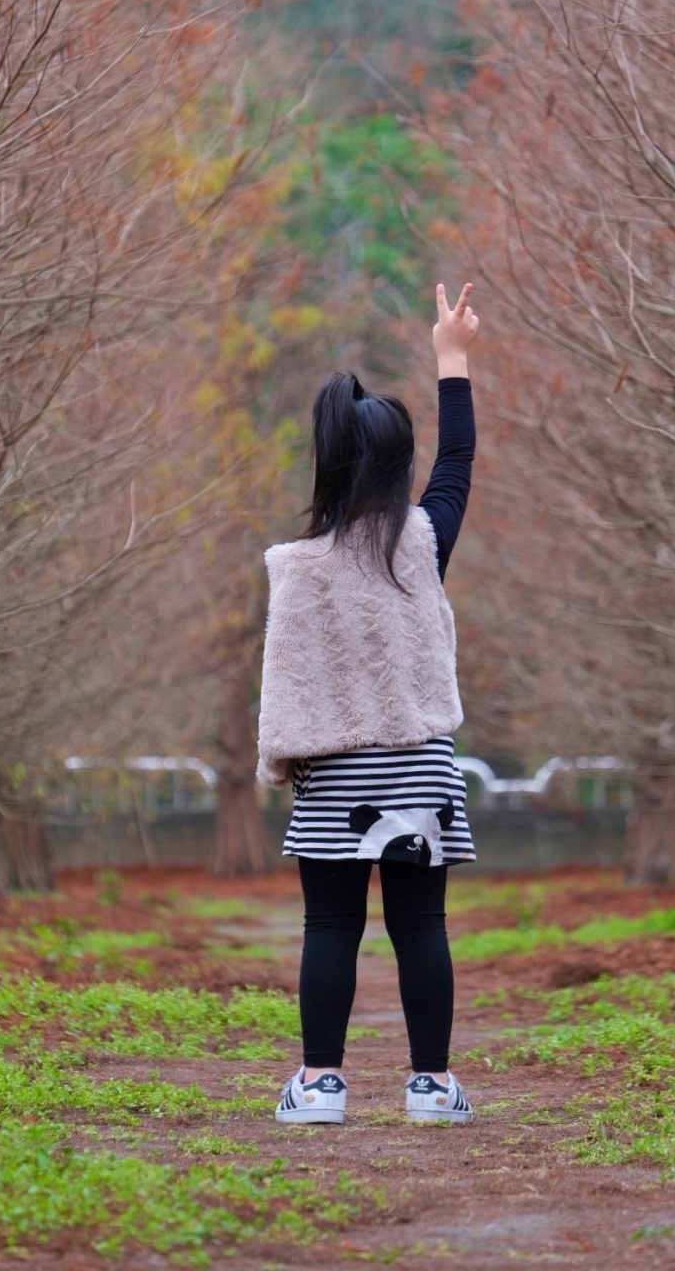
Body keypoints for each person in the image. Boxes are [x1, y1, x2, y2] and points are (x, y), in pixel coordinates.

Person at [257, 282, 480, 1125]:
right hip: (419, 769)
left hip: (335, 776)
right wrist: (451, 357)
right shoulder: (423, 544)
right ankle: (433, 1087)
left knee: (329, 927)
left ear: (329, 462)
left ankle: (319, 1085)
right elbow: (457, 463)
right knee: (422, 928)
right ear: (396, 465)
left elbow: (287, 674)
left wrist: (283, 756)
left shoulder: (298, 565)